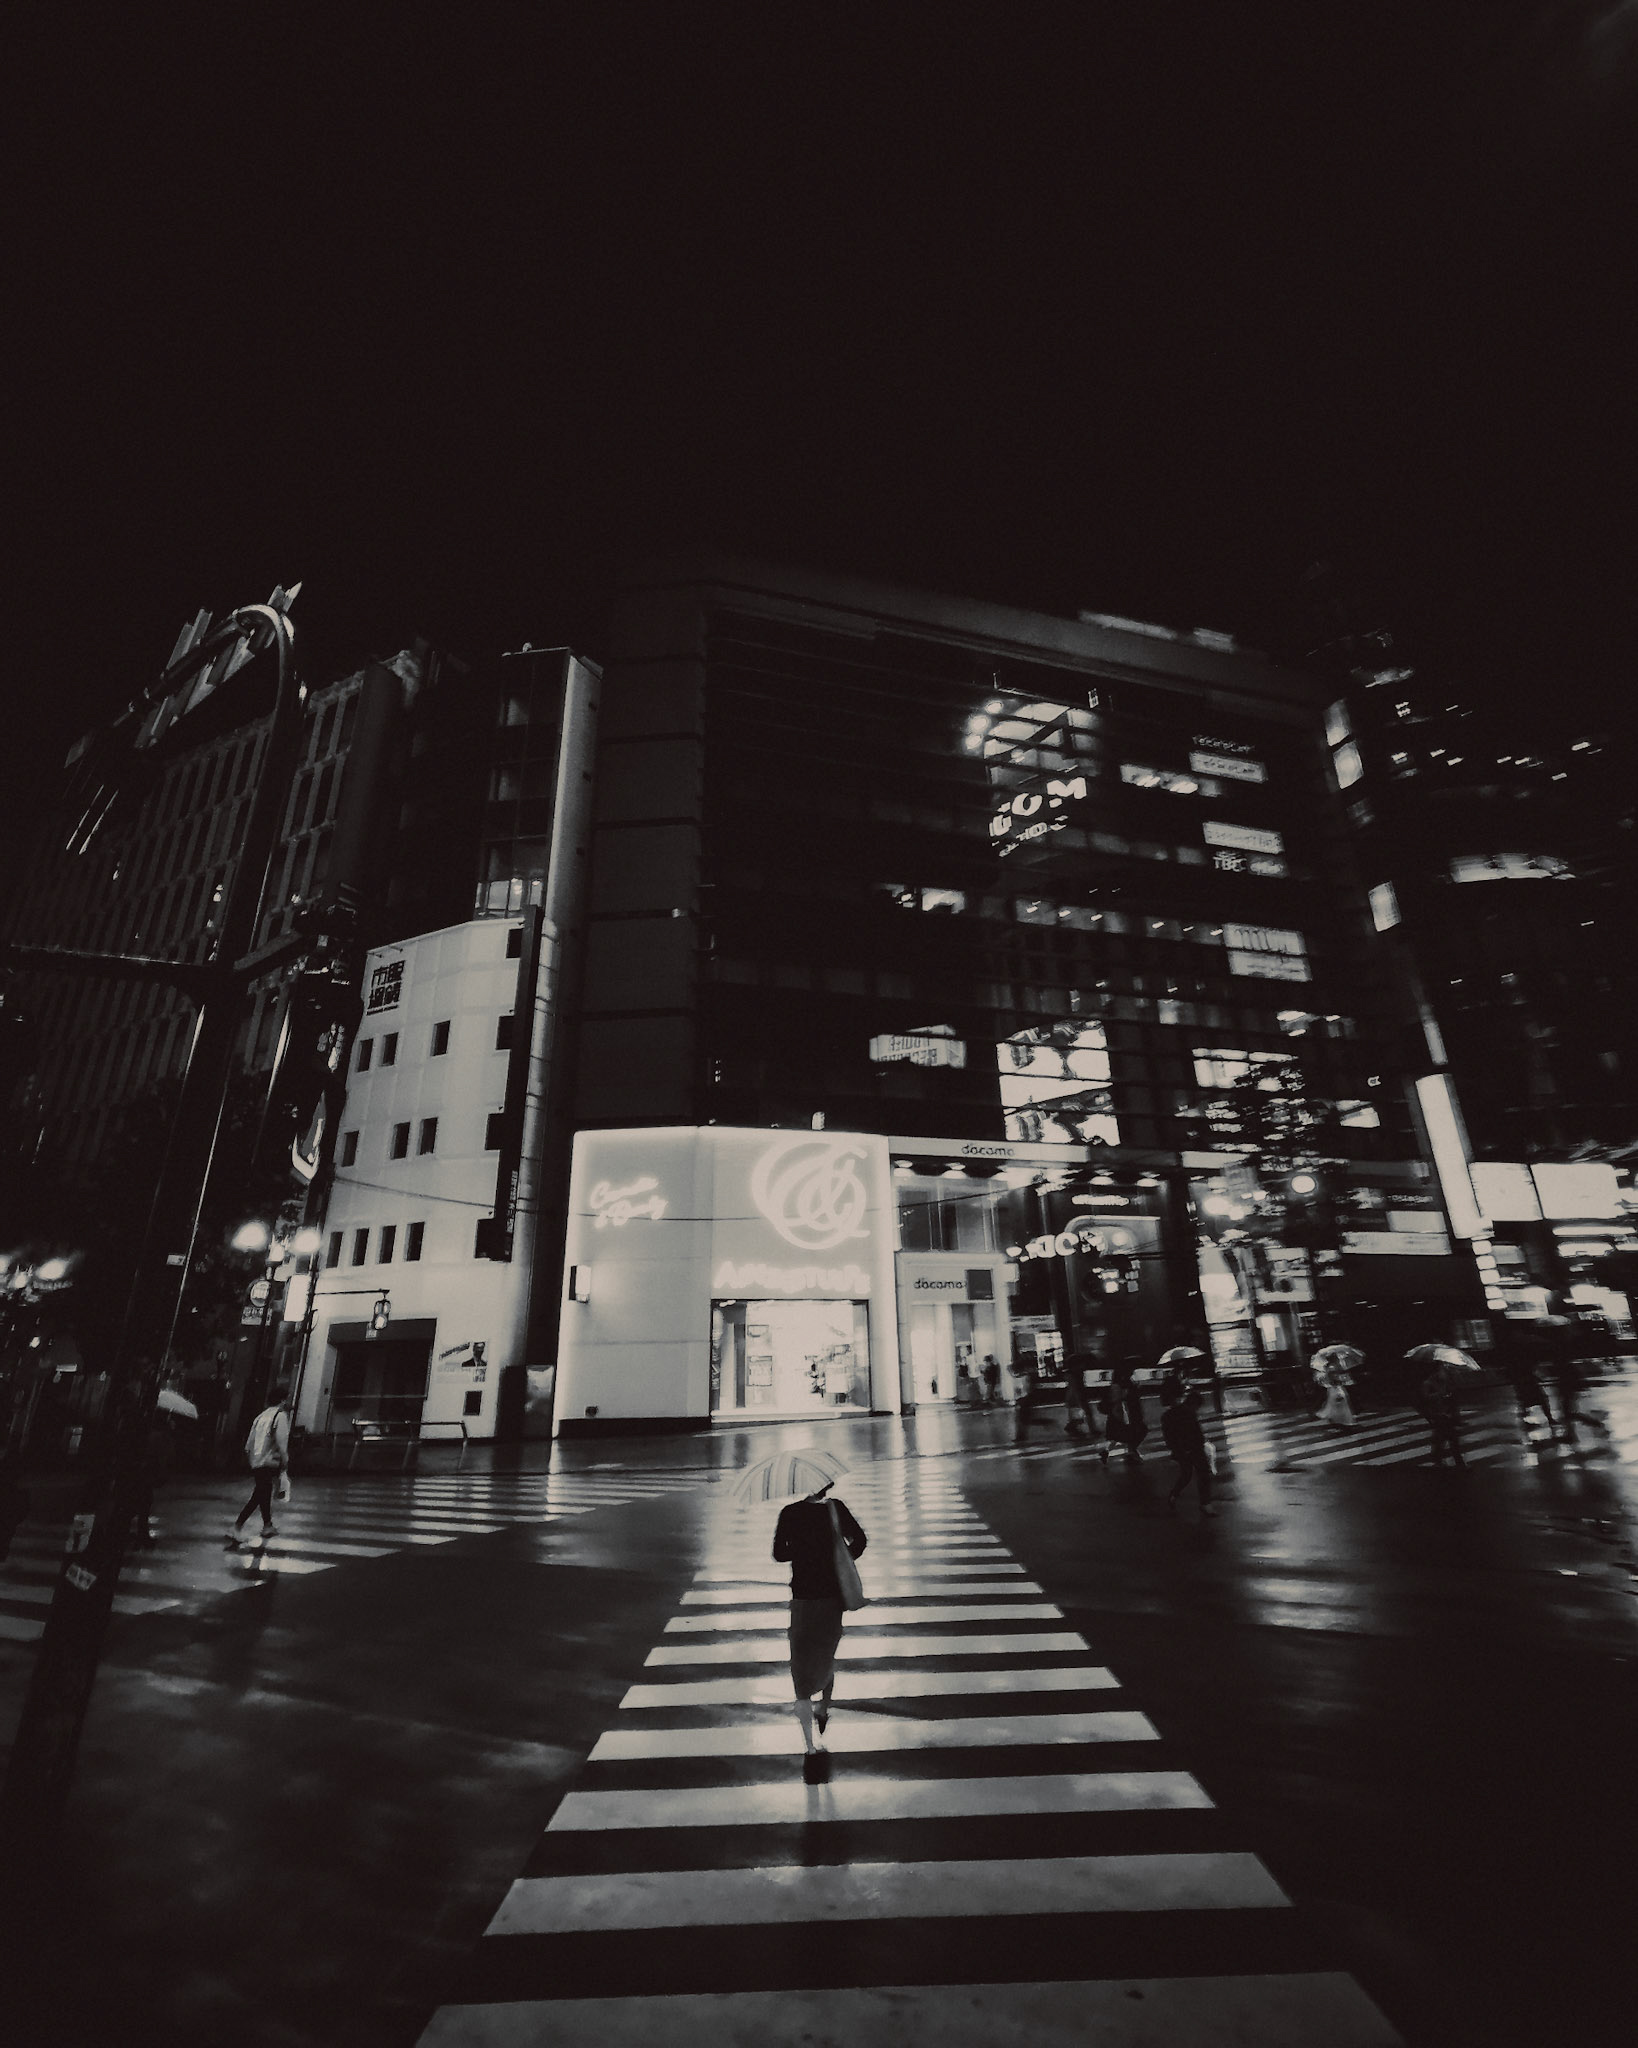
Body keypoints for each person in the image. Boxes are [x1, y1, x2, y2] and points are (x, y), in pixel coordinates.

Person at [772, 1482, 867, 1781]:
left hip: (802, 1599)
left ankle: (809, 1745)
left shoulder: (789, 1513)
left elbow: (779, 1554)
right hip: (831, 1598)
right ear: (826, 1486)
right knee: (826, 1653)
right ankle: (824, 1707)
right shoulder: (834, 1509)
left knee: (800, 1663)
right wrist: (838, 1554)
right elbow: (861, 1542)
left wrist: (800, 1550)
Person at [226, 1395, 291, 1546]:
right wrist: (285, 1459)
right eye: (285, 1400)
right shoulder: (280, 1416)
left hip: (256, 1461)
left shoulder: (260, 1417)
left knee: (263, 1492)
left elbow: (248, 1443)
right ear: (282, 1400)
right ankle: (237, 1526)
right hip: (269, 1462)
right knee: (260, 1494)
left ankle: (267, 1525)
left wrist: (252, 1461)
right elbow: (282, 1441)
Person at [1160, 1381, 1216, 1514]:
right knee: (1203, 1474)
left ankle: (1174, 1495)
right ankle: (1205, 1504)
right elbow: (1197, 1434)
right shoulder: (1188, 1414)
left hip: (1181, 1451)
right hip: (1194, 1449)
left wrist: (1176, 1449)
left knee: (1186, 1474)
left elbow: (1169, 1437)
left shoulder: (1168, 1415)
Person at [1411, 1355, 1467, 1469]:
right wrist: (1439, 1394)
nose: (1445, 1370)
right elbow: (1425, 1398)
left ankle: (1439, 1459)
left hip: (1446, 1414)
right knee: (1450, 1438)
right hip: (1438, 1415)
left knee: (1442, 1438)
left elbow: (1452, 1395)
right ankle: (1456, 1462)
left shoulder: (1445, 1381)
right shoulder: (1428, 1383)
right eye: (1443, 1368)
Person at [1099, 1359, 1149, 1463]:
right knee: (1137, 1432)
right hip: (1127, 1414)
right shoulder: (1126, 1383)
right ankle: (1132, 1452)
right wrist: (1136, 1389)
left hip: (1115, 1414)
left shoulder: (1115, 1383)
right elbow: (1128, 1398)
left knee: (1116, 1436)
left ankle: (1106, 1451)